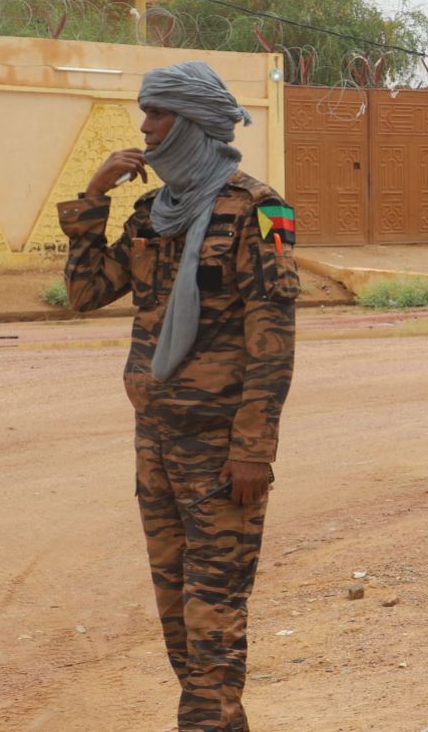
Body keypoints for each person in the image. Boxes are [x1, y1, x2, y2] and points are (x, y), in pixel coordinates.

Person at [59, 61, 296, 732]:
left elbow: (274, 336)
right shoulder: (150, 213)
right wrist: (92, 196)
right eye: (146, 114)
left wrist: (254, 448)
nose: (144, 127)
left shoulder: (262, 210)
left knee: (213, 606)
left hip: (222, 445)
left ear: (190, 123)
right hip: (157, 441)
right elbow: (86, 293)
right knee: (175, 611)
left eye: (157, 115)